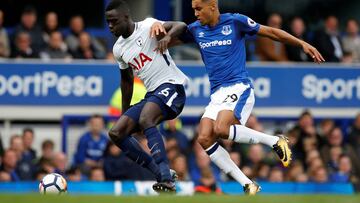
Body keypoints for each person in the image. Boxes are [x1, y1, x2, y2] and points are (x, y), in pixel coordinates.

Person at [151, 0, 324, 195]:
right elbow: (164, 40)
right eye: (193, 9)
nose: (195, 13)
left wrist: (301, 43)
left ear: (213, 6)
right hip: (217, 94)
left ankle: (274, 141)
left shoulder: (235, 22)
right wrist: (155, 26)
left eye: (199, 9)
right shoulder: (195, 29)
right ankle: (248, 184)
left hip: (239, 87)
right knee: (204, 137)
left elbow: (273, 32)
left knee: (221, 129)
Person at [105, 0, 188, 192]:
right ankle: (160, 174)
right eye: (108, 22)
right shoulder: (119, 49)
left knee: (146, 118)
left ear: (126, 17)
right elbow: (126, 81)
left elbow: (181, 26)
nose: (110, 26)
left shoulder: (149, 25)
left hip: (173, 87)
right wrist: (125, 115)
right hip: (153, 94)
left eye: (114, 21)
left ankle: (166, 177)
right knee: (117, 133)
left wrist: (167, 37)